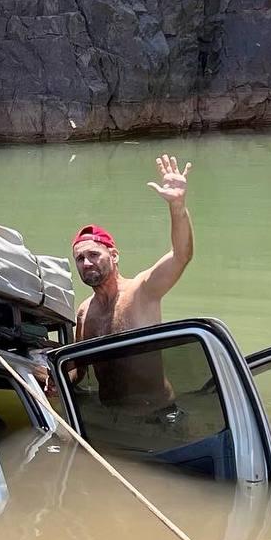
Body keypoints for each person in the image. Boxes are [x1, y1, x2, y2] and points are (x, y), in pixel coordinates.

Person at [64, 154, 195, 417]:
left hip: (157, 416)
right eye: (80, 258)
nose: (87, 263)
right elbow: (79, 372)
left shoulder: (142, 291)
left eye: (94, 255)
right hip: (114, 421)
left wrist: (178, 207)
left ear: (114, 256)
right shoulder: (84, 312)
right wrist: (49, 376)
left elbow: (181, 255)